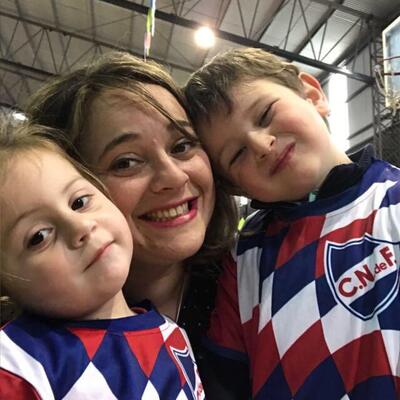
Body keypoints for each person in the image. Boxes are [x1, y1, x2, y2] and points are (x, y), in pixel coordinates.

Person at [184, 47, 400, 399]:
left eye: (266, 114)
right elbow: (225, 383)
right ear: (237, 186)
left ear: (313, 95)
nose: (260, 145)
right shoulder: (244, 261)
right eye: (236, 154)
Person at [24, 51, 241, 398]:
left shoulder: (255, 283)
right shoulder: (29, 358)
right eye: (126, 162)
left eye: (182, 145)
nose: (172, 176)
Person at [0, 122, 205, 399]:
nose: (80, 227)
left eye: (80, 202)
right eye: (38, 236)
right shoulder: (17, 364)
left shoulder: (173, 336)